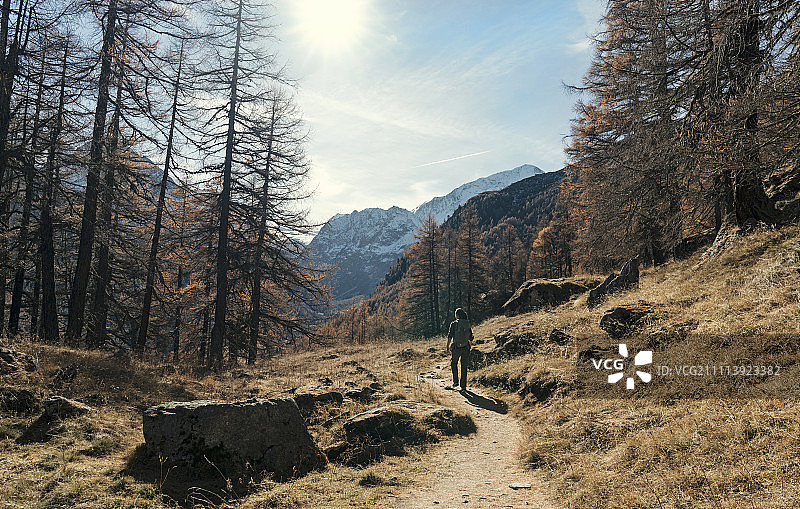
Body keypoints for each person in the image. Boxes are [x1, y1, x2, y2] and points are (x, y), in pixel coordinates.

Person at [446, 308, 473, 391]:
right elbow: (471, 337)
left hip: (456, 348)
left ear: (457, 315)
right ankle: (463, 385)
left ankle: (455, 381)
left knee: (454, 363)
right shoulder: (467, 323)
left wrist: (447, 346)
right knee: (464, 366)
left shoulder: (454, 324)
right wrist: (469, 345)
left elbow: (450, 336)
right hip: (466, 348)